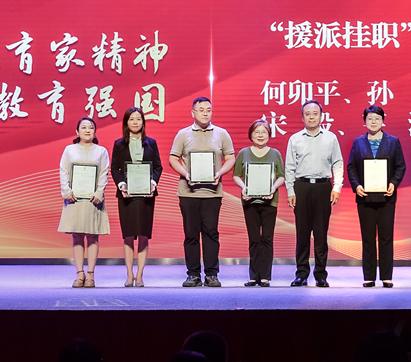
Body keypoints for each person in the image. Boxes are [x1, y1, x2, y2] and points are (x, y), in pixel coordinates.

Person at [169, 97, 235, 287]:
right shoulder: (183, 134)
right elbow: (173, 159)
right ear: (193, 113)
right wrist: (186, 174)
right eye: (201, 110)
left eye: (209, 110)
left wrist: (220, 173)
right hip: (188, 193)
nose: (206, 113)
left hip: (212, 193)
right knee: (191, 235)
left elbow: (231, 158)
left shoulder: (221, 133)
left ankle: (212, 274)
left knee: (211, 234)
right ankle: (193, 275)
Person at [285, 99, 343, 287]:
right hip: (301, 187)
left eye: (315, 113)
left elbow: (338, 163)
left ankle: (321, 275)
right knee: (302, 234)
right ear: (302, 117)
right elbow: (289, 168)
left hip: (323, 187)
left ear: (321, 116)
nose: (311, 117)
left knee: (321, 234)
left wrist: (336, 187)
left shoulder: (331, 138)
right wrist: (290, 190)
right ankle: (301, 274)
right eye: (307, 114)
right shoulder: (295, 139)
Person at [347, 105, 406, 288]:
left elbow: (400, 166)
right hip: (365, 197)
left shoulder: (393, 141)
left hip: (386, 196)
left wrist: (393, 183)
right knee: (368, 238)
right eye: (370, 118)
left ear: (383, 121)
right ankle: (369, 276)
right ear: (364, 121)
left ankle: (386, 276)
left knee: (386, 238)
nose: (373, 122)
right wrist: (356, 186)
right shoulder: (358, 142)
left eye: (377, 118)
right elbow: (351, 167)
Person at [111, 107, 163, 287]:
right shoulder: (119, 144)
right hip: (126, 194)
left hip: (146, 194)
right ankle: (129, 274)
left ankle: (140, 275)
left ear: (143, 122)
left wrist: (152, 183)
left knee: (143, 234)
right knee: (128, 235)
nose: (135, 122)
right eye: (131, 119)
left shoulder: (151, 143)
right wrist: (121, 185)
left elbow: (158, 167)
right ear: (126, 122)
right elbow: (115, 169)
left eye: (138, 119)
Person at [58, 117, 110, 288]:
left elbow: (104, 173)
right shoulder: (69, 150)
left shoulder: (101, 151)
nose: (87, 130)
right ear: (77, 131)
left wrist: (99, 192)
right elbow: (64, 172)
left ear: (95, 131)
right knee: (77, 236)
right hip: (74, 198)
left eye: (91, 127)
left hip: (93, 199)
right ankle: (79, 274)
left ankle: (91, 275)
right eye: (84, 127)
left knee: (93, 236)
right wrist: (67, 192)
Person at [233, 119, 285, 287]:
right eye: (257, 132)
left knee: (267, 239)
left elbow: (281, 176)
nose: (260, 135)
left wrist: (273, 188)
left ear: (269, 134)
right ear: (251, 135)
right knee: (254, 239)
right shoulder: (243, 153)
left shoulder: (275, 153)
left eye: (264, 132)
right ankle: (253, 276)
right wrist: (244, 188)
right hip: (249, 201)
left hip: (270, 201)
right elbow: (236, 175)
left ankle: (265, 277)